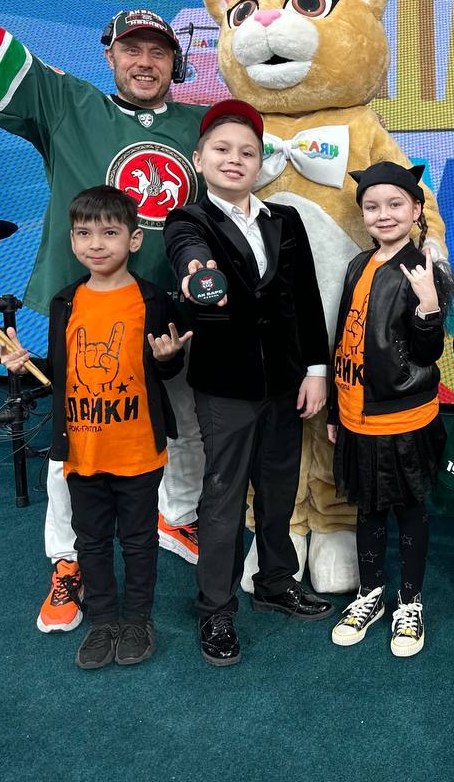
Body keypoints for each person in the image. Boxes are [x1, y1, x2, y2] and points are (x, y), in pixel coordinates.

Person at [0, 0, 206, 634]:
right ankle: (68, 559)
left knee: (186, 420)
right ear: (109, 55)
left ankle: (176, 514)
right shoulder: (66, 102)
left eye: (158, 52)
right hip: (86, 309)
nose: (144, 62)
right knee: (74, 437)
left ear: (175, 63)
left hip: (172, 311)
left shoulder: (201, 127)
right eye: (131, 49)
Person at [164, 100, 333, 666]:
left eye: (247, 152)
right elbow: (188, 256)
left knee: (279, 489)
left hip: (286, 384)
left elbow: (305, 299)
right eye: (222, 149)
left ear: (261, 162)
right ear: (199, 158)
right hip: (225, 387)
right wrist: (198, 275)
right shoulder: (187, 222)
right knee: (224, 498)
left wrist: (315, 371)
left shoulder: (284, 220)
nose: (234, 159)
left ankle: (276, 582)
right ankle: (216, 608)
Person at [0, 187, 190, 669]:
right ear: (72, 240)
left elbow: (164, 370)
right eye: (84, 233)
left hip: (138, 450)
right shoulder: (65, 302)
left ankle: (138, 619)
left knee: (140, 540)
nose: (96, 244)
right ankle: (103, 620)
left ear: (134, 239)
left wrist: (170, 358)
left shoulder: (152, 300)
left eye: (109, 232)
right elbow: (59, 373)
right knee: (91, 540)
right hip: (82, 451)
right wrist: (24, 364)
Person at [325, 162, 449, 658]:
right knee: (368, 509)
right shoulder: (359, 264)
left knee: (410, 510)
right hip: (355, 413)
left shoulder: (423, 267)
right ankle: (370, 593)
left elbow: (428, 353)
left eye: (395, 204)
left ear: (416, 209)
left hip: (404, 419)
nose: (384, 214)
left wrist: (428, 306)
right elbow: (344, 338)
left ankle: (410, 602)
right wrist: (334, 411)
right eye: (372, 206)